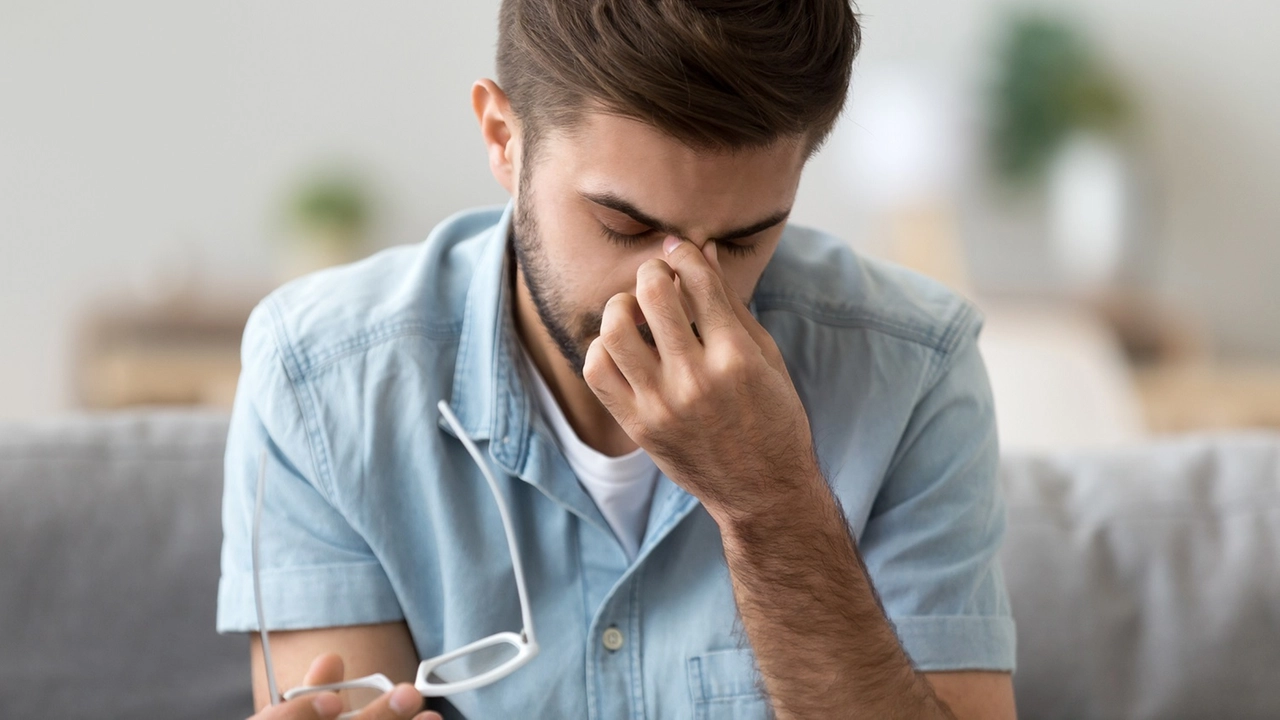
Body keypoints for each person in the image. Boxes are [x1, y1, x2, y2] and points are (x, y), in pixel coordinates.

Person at [217, 1, 1018, 718]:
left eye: (742, 240)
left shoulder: (914, 371)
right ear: (503, 137)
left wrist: (771, 507)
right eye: (624, 225)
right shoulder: (319, 380)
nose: (673, 289)